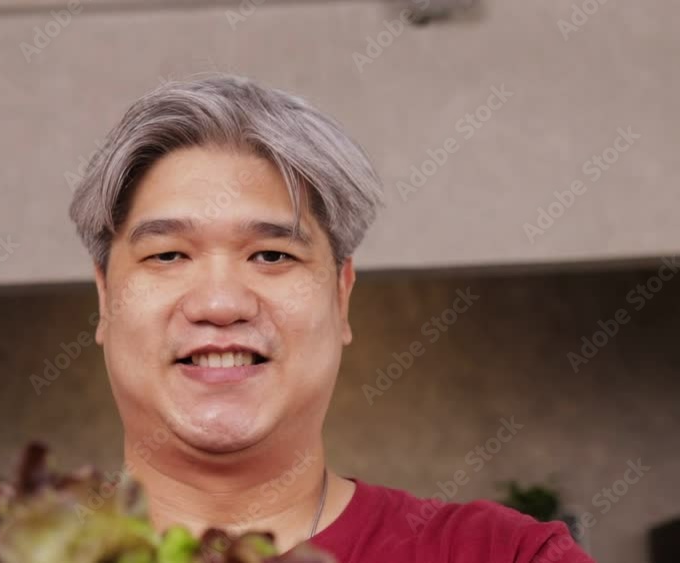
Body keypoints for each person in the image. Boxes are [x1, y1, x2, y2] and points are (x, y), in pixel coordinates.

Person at [68, 74, 593, 563]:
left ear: (341, 296)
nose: (220, 304)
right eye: (168, 255)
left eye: (272, 255)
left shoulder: (504, 554)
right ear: (105, 297)